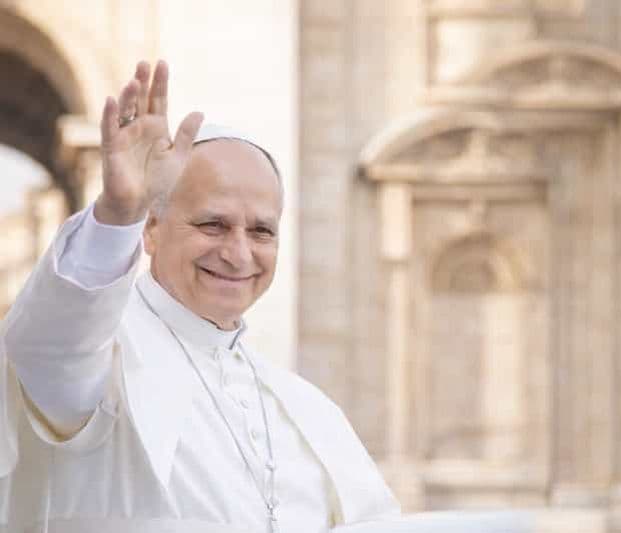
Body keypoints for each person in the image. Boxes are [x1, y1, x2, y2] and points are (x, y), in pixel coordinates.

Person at [0, 60, 398, 533]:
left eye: (261, 231)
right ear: (151, 229)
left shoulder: (307, 407)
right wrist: (118, 212)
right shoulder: (97, 364)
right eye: (213, 224)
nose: (238, 253)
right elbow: (47, 347)